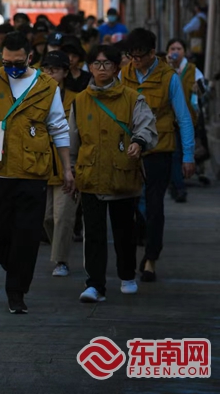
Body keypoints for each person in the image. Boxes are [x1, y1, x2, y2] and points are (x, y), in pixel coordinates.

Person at [0, 32, 73, 314]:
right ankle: (16, 270)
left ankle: (16, 290)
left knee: (27, 232)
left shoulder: (47, 86)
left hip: (33, 169)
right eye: (7, 62)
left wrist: (67, 169)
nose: (12, 67)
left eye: (18, 62)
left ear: (30, 57)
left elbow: (59, 128)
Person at [70, 45, 157, 303]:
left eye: (107, 63)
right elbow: (73, 141)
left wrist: (138, 142)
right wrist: (70, 170)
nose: (101, 68)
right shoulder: (80, 101)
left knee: (124, 232)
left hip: (122, 175)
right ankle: (95, 285)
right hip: (90, 175)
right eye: (96, 64)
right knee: (93, 234)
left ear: (117, 67)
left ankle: (127, 274)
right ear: (89, 67)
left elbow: (146, 125)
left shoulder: (132, 98)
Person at [122, 28, 195, 282]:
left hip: (159, 148)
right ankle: (132, 252)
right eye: (131, 56)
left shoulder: (168, 77)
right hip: (130, 149)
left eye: (140, 56)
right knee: (129, 204)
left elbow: (184, 118)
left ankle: (151, 257)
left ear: (153, 53)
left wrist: (188, 156)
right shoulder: (124, 74)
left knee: (154, 206)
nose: (136, 61)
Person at [41, 51, 79, 278]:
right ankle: (60, 249)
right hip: (42, 165)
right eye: (45, 69)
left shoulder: (77, 99)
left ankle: (61, 260)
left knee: (63, 215)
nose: (49, 74)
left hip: (68, 166)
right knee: (46, 217)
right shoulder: (34, 96)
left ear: (65, 72)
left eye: (54, 70)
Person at [166, 37, 204, 203]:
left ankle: (176, 184)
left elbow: (204, 88)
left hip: (187, 118)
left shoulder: (193, 70)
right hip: (168, 120)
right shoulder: (164, 69)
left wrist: (199, 88)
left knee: (182, 153)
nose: (175, 52)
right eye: (172, 49)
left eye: (179, 49)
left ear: (184, 52)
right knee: (175, 154)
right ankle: (179, 187)